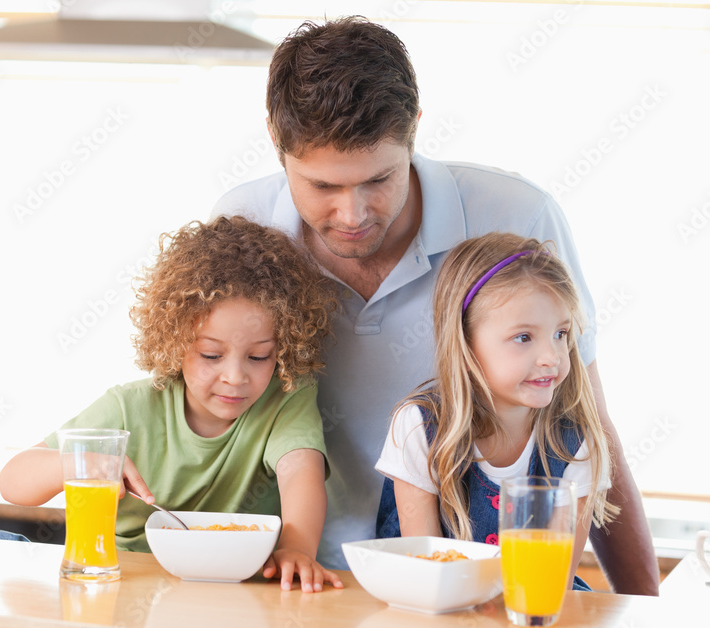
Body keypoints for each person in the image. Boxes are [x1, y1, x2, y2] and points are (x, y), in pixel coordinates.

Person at [212, 16, 660, 593]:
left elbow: (588, 424)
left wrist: (646, 606)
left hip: (472, 584)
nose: (353, 215)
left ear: (415, 132)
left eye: (379, 178)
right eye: (323, 187)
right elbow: (201, 411)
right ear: (276, 142)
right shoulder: (244, 226)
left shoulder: (517, 217)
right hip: (294, 580)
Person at [0, 216, 343, 593]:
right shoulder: (131, 406)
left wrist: (296, 548)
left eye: (259, 357)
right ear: (175, 342)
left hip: (233, 587)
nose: (235, 376)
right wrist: (87, 464)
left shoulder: (285, 397)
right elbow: (13, 481)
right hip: (126, 580)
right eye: (211, 355)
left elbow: (300, 473)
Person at [374, 233, 618, 591]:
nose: (552, 356)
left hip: (533, 599)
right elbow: (425, 573)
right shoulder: (418, 427)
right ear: (466, 341)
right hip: (435, 601)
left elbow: (553, 582)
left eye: (561, 333)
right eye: (524, 337)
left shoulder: (576, 444)